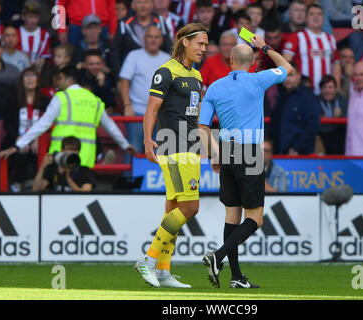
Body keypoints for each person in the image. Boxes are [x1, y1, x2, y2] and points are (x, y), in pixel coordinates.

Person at [198, 35, 293, 288]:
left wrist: (213, 154)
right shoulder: (258, 79)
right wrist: (265, 47)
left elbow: (202, 128)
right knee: (255, 219)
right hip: (249, 151)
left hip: (226, 150)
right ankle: (217, 257)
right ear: (252, 63)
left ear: (230, 61)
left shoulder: (215, 87)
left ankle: (237, 277)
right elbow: (288, 67)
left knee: (232, 215)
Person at [135, 23, 208, 288]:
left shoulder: (197, 76)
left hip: (190, 145)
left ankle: (164, 270)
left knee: (174, 209)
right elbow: (151, 109)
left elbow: (194, 114)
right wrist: (147, 139)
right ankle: (149, 259)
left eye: (206, 45)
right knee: (190, 207)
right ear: (185, 42)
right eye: (200, 43)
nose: (204, 49)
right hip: (174, 144)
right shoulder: (165, 72)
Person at [0, 66, 136, 168]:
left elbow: (42, 124)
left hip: (61, 156)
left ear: (69, 79)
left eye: (60, 78)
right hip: (87, 157)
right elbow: (110, 126)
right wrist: (125, 145)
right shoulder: (95, 100)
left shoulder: (61, 97)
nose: (57, 82)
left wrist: (18, 145)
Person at [118, 25, 170, 154]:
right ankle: (130, 176)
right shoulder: (134, 56)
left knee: (158, 153)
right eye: (150, 36)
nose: (153, 40)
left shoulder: (168, 59)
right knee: (133, 151)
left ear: (161, 40)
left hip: (159, 115)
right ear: (144, 39)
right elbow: (123, 82)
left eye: (156, 37)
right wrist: (127, 105)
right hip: (137, 113)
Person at [283, 3, 341, 95]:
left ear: (323, 18)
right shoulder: (296, 36)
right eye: (312, 14)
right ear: (305, 18)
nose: (316, 17)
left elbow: (336, 65)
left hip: (326, 94)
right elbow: (286, 63)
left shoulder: (331, 39)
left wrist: (336, 88)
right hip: (302, 92)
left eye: (319, 14)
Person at [9, 66, 50, 192]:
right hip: (17, 137)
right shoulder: (13, 99)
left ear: (38, 80)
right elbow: (7, 122)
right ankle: (18, 183)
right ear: (22, 80)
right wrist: (19, 138)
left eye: (33, 76)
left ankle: (40, 184)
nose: (30, 79)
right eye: (26, 76)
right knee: (21, 149)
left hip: (39, 138)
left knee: (41, 150)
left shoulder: (45, 100)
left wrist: (38, 139)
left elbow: (48, 121)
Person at [269, 62, 320, 155]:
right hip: (279, 151)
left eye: (291, 75)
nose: (287, 79)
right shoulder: (281, 95)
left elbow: (313, 125)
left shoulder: (308, 97)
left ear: (299, 76)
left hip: (300, 154)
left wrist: (296, 147)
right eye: (285, 75)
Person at [111, 0, 172, 76]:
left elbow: (168, 47)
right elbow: (116, 52)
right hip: (131, 75)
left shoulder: (160, 22)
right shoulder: (124, 24)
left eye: (146, 2)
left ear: (151, 5)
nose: (143, 6)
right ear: (133, 5)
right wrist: (119, 77)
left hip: (157, 72)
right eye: (139, 2)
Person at [32, 136, 96, 192]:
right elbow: (36, 190)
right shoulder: (53, 168)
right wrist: (42, 167)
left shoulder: (86, 172)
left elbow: (85, 196)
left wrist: (67, 178)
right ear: (62, 150)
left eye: (74, 149)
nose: (71, 152)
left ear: (78, 152)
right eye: (68, 149)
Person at [16, 1, 51, 71]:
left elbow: (43, 57)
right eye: (30, 17)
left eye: (36, 17)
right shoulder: (16, 33)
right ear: (23, 17)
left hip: (38, 70)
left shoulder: (45, 34)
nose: (33, 20)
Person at [317, 74, 347, 155]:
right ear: (320, 89)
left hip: (339, 139)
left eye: (330, 87)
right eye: (325, 87)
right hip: (322, 138)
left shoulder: (342, 101)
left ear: (336, 88)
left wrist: (340, 117)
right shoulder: (315, 102)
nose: (328, 91)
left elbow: (349, 124)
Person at [81, 50, 116, 114]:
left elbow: (109, 106)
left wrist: (102, 84)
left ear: (103, 64)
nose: (95, 67)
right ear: (84, 65)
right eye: (91, 64)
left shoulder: (108, 78)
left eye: (98, 64)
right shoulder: (79, 78)